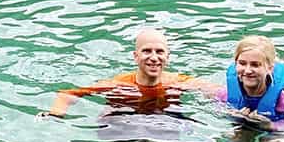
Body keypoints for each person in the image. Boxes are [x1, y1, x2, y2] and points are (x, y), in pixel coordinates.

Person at [39, 28, 220, 118]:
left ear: (168, 57)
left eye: (160, 52)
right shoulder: (120, 83)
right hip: (121, 120)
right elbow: (68, 94)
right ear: (135, 56)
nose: (154, 58)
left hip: (162, 120)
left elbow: (218, 92)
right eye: (147, 51)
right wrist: (55, 114)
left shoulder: (178, 81)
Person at [215, 35, 284, 131]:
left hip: (272, 132)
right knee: (236, 140)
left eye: (255, 65)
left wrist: (270, 126)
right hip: (241, 126)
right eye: (242, 63)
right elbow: (217, 110)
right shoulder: (225, 94)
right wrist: (231, 115)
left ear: (270, 68)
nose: (247, 71)